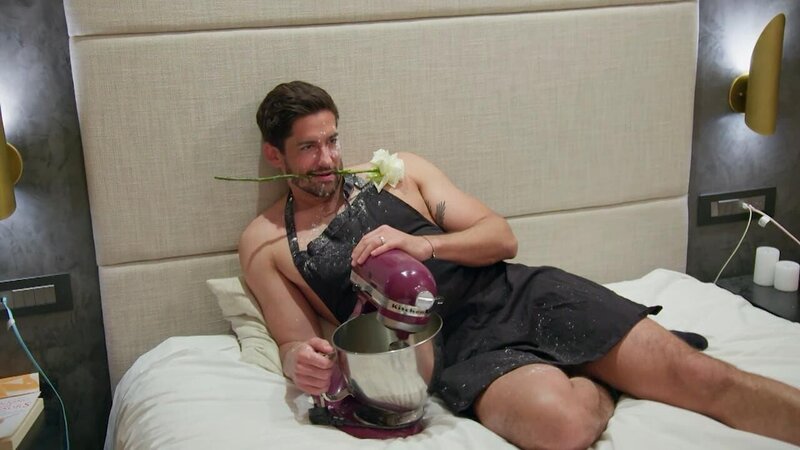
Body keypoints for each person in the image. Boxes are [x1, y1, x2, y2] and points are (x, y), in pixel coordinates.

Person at [239, 80, 800, 449]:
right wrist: (301, 362)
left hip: (519, 296)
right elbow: (292, 342)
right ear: (274, 153)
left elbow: (501, 238)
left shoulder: (398, 172)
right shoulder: (266, 246)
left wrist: (425, 246)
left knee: (707, 380)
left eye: (333, 141)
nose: (328, 160)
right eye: (309, 148)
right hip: (458, 350)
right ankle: (602, 377)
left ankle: (615, 358)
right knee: (562, 427)